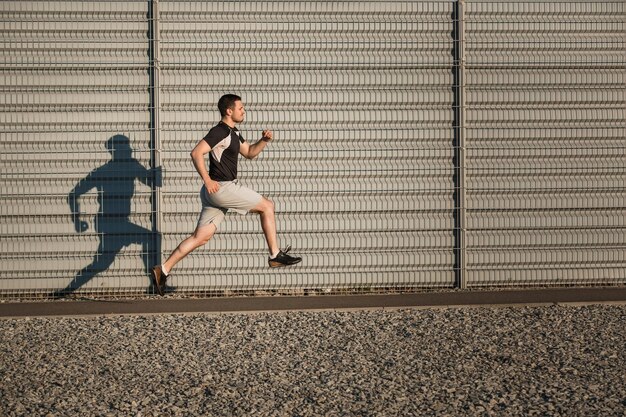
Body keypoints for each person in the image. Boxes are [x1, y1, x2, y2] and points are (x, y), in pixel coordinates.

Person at [151, 94, 301, 296]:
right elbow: (196, 153)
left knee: (200, 237)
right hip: (221, 187)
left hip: (214, 193)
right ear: (229, 111)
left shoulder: (234, 132)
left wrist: (264, 140)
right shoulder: (219, 131)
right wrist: (207, 179)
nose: (244, 111)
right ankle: (275, 254)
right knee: (267, 206)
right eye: (240, 108)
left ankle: (163, 269)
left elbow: (249, 153)